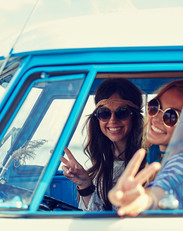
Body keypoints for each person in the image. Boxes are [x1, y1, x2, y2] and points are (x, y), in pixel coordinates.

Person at [108, 80, 183, 216]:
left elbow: (163, 190)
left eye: (171, 116)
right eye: (154, 106)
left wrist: (142, 201)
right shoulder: (156, 156)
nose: (156, 118)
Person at [60, 78, 144, 211]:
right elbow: (94, 216)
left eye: (122, 112)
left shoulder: (147, 164)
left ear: (135, 117)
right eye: (104, 113)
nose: (112, 120)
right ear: (97, 119)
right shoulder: (100, 167)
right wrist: (84, 184)